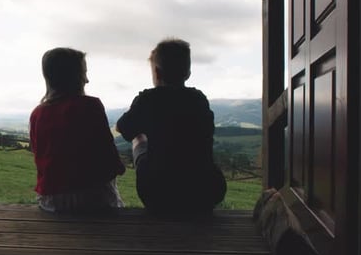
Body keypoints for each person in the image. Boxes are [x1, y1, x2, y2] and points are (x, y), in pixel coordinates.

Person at [116, 38, 226, 216]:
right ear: (188, 73)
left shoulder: (148, 99)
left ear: (157, 73)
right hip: (206, 193)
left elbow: (124, 128)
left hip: (157, 195)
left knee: (139, 137)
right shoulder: (199, 99)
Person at [29, 47, 125, 213]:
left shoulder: (37, 114)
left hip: (52, 201)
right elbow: (109, 159)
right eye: (84, 73)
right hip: (93, 198)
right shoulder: (90, 106)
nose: (87, 80)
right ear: (73, 77)